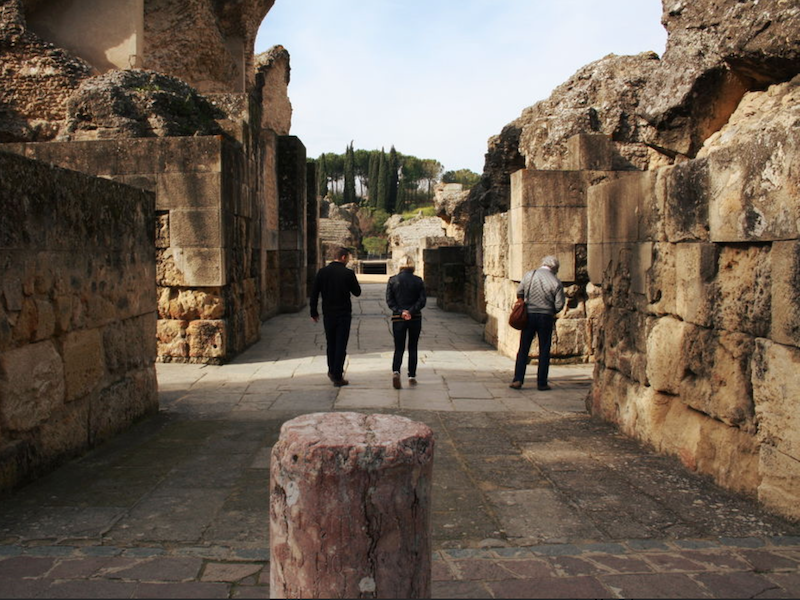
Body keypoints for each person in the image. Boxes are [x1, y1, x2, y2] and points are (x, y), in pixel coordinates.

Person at [510, 255, 565, 391]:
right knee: (544, 349)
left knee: (524, 347)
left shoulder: (530, 275)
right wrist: (550, 309)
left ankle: (518, 379)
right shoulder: (556, 282)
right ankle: (541, 382)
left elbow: (520, 291)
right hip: (545, 317)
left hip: (529, 315)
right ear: (555, 268)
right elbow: (559, 304)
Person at [310, 246, 362, 387]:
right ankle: (338, 375)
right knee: (341, 344)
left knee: (330, 343)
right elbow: (357, 292)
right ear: (344, 257)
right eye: (348, 258)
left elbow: (314, 293)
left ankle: (331, 370)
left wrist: (313, 312)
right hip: (343, 313)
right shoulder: (348, 273)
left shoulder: (322, 272)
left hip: (328, 313)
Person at [386, 255, 426, 389]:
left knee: (399, 346)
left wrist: (401, 311)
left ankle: (396, 371)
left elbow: (390, 301)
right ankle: (412, 375)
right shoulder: (418, 280)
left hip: (398, 318)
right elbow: (422, 301)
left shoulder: (393, 280)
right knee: (413, 346)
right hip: (414, 318)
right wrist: (411, 311)